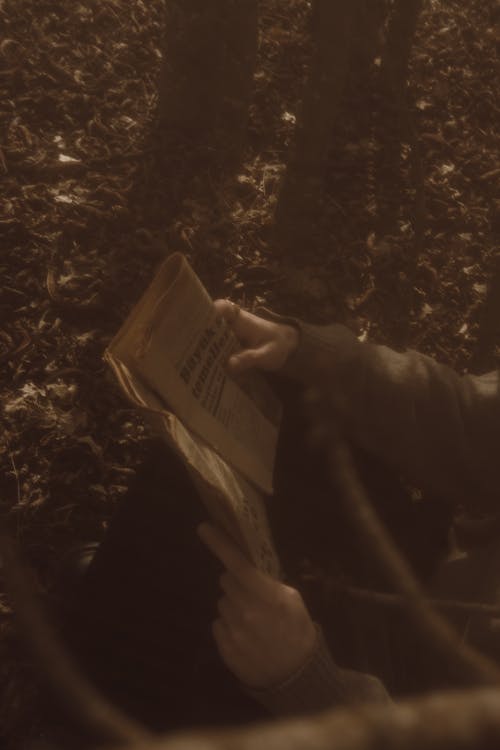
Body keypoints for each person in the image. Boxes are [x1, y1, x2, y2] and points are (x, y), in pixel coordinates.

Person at [63, 298, 500, 730]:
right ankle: (110, 631)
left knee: (223, 665)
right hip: (424, 579)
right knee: (278, 394)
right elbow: (469, 415)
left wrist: (306, 681)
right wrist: (303, 351)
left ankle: (109, 702)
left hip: (392, 708)